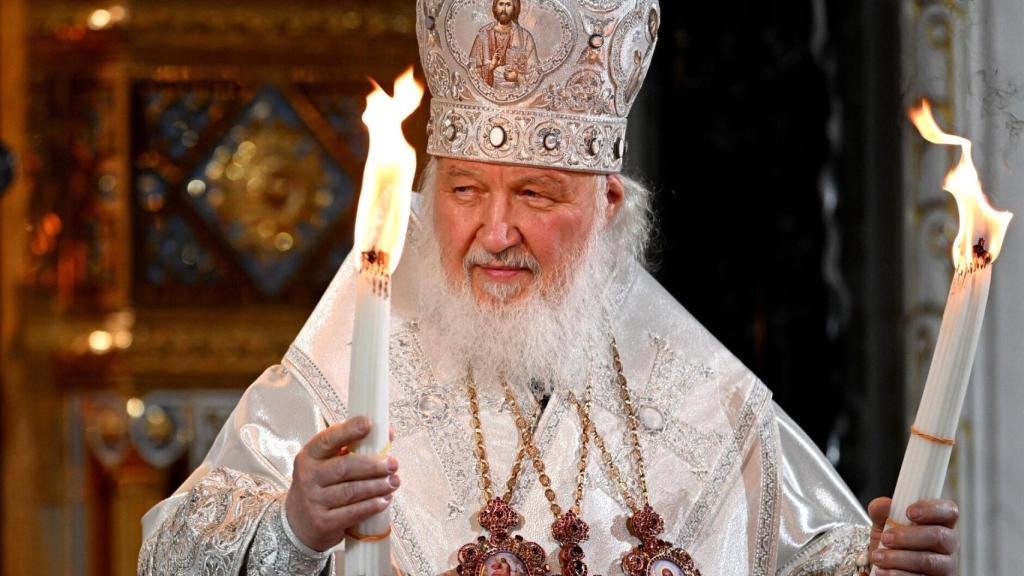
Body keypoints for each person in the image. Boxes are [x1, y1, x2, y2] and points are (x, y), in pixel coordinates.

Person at [138, 1, 961, 575]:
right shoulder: (342, 371)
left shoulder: (702, 394)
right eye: (464, 191)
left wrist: (872, 565)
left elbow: (799, 554)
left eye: (534, 194)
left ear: (606, 205)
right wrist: (294, 526)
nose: (494, 232)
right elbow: (168, 557)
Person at [468, 0, 538, 90]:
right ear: (495, 7)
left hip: (516, 94)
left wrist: (517, 77)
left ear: (514, 8)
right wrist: (490, 67)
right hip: (488, 93)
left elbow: (535, 72)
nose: (504, 9)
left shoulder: (525, 37)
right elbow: (471, 69)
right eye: (501, 4)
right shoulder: (483, 34)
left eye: (508, 5)